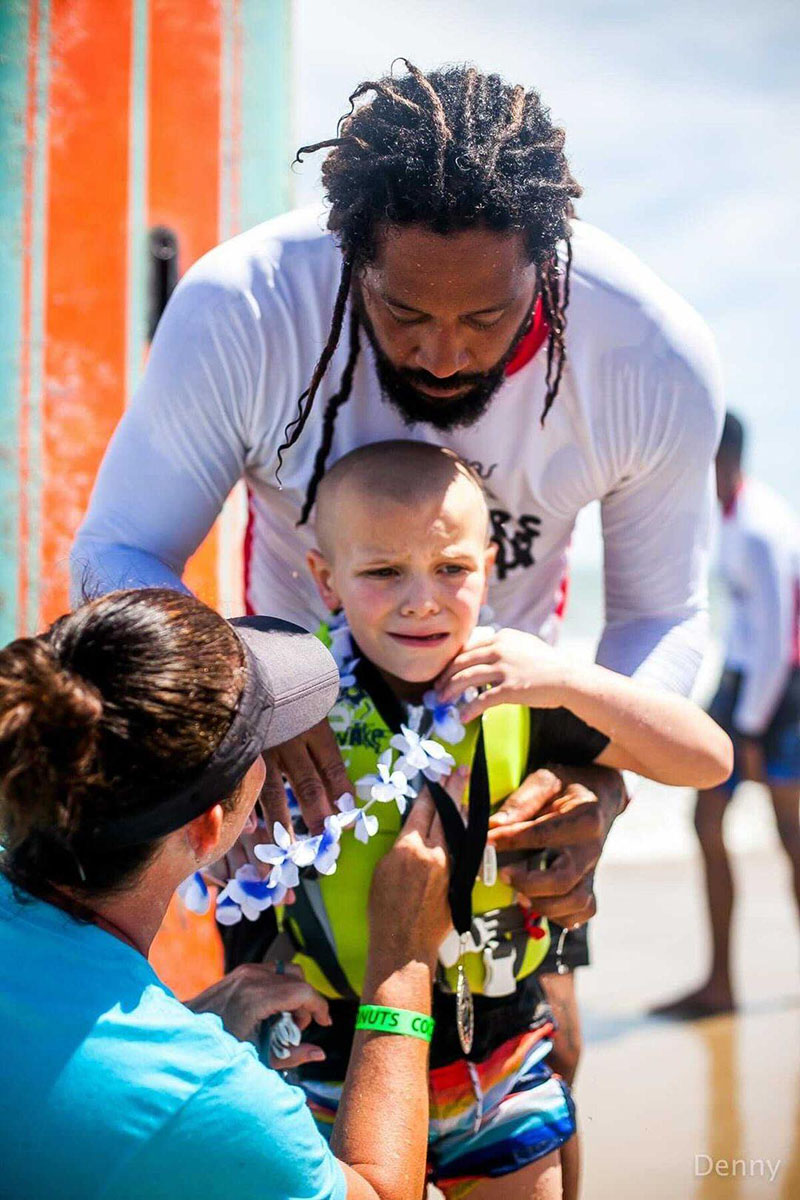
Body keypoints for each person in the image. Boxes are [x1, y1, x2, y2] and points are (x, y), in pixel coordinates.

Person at [71, 61, 723, 1089]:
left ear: (544, 266)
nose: (444, 354)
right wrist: (254, 698)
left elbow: (662, 611)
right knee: (297, 1066)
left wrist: (595, 772)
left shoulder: (645, 353)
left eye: (487, 317)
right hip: (295, 763)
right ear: (348, 258)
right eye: (403, 313)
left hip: (500, 739)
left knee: (537, 1054)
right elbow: (117, 554)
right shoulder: (245, 308)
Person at [262, 441, 730, 1198]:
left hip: (503, 1060)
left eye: (451, 569)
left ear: (490, 564)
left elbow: (706, 759)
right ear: (326, 578)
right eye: (383, 572)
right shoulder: (295, 702)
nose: (422, 600)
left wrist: (573, 679)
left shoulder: (525, 687)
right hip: (336, 1067)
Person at [0, 588, 455, 1200]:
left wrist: (181, 1032)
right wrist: (402, 961)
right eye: (264, 743)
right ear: (206, 827)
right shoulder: (213, 1094)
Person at [654, 412, 800, 1018]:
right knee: (706, 816)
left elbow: (780, 639)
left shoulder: (764, 527)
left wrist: (752, 726)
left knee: (792, 834)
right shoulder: (731, 517)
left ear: (725, 459)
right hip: (743, 684)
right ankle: (719, 983)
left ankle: (721, 984)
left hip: (779, 692)